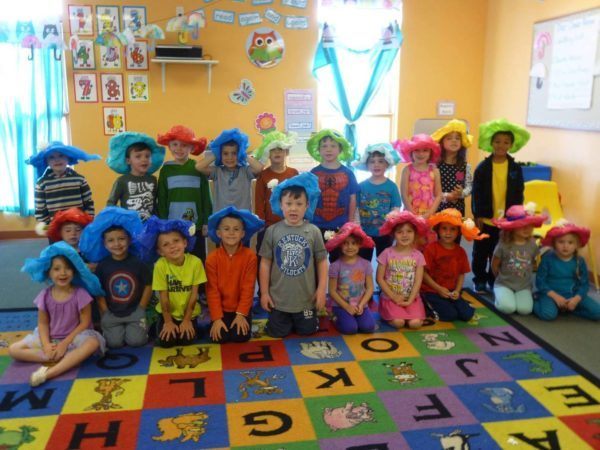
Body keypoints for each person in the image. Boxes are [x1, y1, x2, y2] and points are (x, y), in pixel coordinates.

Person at [10, 242, 105, 387]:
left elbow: (85, 323)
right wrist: (47, 344)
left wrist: (65, 343)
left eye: (68, 268)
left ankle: (49, 373)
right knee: (13, 349)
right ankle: (56, 357)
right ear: (49, 272)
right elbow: (42, 323)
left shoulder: (80, 294)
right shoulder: (45, 295)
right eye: (57, 269)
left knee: (92, 343)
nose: (63, 273)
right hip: (52, 338)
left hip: (75, 338)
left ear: (74, 272)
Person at [259, 172, 328, 338]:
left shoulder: (313, 231)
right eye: (288, 203)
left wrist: (321, 291)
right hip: (279, 301)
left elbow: (322, 262)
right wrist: (264, 293)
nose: (293, 208)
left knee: (307, 331)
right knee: (277, 333)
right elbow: (265, 263)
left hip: (306, 300)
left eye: (299, 203)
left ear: (307, 206)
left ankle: (307, 319)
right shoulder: (272, 231)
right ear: (280, 205)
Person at [79, 207, 151, 348]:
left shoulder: (137, 262)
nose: (117, 244)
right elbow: (98, 291)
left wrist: (141, 308)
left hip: (135, 311)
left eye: (121, 239)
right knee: (114, 344)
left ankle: (142, 328)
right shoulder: (103, 266)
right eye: (111, 241)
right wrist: (105, 312)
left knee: (137, 342)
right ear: (104, 244)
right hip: (112, 313)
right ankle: (115, 329)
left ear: (129, 240)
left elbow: (148, 284)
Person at [471, 118, 529, 293]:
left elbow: (519, 192)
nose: (501, 145)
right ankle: (479, 279)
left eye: (505, 142)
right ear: (491, 143)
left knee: (500, 252)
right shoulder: (483, 167)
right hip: (487, 219)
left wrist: (517, 216)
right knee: (481, 252)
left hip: (507, 220)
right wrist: (478, 215)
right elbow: (477, 193)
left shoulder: (515, 168)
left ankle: (493, 278)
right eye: (497, 141)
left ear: (511, 144)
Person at [138, 216, 206, 347]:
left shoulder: (195, 263)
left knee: (186, 341)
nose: (172, 246)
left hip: (188, 313)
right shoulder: (160, 265)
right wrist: (168, 322)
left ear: (185, 243)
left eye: (176, 241)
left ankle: (194, 325)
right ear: (160, 251)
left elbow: (194, 295)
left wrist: (187, 320)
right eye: (166, 244)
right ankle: (157, 325)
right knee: (166, 342)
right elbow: (163, 297)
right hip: (168, 313)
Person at [205, 206, 264, 343]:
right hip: (222, 310)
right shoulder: (212, 259)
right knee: (219, 338)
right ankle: (214, 322)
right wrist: (217, 318)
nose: (231, 233)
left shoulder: (250, 256)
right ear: (219, 233)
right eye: (226, 229)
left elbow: (248, 288)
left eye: (236, 229)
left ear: (243, 233)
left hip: (240, 308)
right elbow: (212, 290)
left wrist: (241, 314)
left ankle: (243, 317)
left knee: (241, 337)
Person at [421, 208, 488, 322]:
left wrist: (457, 290)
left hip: (451, 291)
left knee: (467, 315)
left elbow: (461, 273)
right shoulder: (431, 249)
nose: (448, 233)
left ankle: (449, 304)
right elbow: (423, 273)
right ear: (438, 230)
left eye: (452, 229)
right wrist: (438, 288)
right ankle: (426, 305)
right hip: (432, 290)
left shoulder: (460, 251)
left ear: (458, 232)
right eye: (444, 228)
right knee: (450, 315)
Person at [157, 125, 211, 262]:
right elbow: (162, 198)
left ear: (191, 148)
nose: (179, 149)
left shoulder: (198, 168)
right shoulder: (166, 170)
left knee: (197, 260)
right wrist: (163, 223)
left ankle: (199, 284)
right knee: (175, 259)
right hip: (172, 225)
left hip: (196, 225)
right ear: (169, 146)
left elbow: (206, 197)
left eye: (184, 145)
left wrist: (206, 222)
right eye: (175, 144)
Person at [307, 129, 359, 263]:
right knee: (316, 259)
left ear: (340, 149)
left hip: (340, 225)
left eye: (333, 146)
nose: (328, 149)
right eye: (324, 146)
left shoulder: (348, 173)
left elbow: (352, 198)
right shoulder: (313, 173)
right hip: (317, 223)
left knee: (338, 261)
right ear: (318, 150)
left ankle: (337, 285)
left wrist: (350, 222)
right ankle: (317, 284)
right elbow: (309, 197)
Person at [534, 220, 600, 321]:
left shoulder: (579, 261)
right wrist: (556, 297)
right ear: (554, 243)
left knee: (598, 312)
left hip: (572, 295)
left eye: (570, 242)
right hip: (550, 295)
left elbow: (584, 284)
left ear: (576, 245)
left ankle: (569, 308)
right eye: (561, 242)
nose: (566, 246)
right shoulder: (548, 258)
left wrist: (576, 299)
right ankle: (535, 301)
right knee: (548, 314)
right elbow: (540, 281)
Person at [376, 210, 429, 329]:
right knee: (399, 323)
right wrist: (393, 296)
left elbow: (417, 281)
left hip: (412, 298)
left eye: (409, 231)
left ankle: (409, 310)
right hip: (391, 299)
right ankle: (387, 313)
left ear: (415, 233)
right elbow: (379, 279)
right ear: (393, 234)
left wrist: (410, 299)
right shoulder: (386, 253)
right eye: (400, 232)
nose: (405, 235)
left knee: (415, 324)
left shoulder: (418, 255)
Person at [27, 142, 100, 227]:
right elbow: (40, 208)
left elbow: (88, 202)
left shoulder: (79, 179)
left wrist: (89, 219)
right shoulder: (42, 183)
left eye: (61, 156)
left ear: (68, 158)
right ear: (46, 161)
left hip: (78, 225)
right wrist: (45, 225)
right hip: (55, 227)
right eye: (51, 157)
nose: (57, 160)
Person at [491, 204, 545, 315]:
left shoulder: (532, 245)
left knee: (525, 310)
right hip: (504, 284)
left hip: (523, 286)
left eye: (529, 225)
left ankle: (514, 297)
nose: (526, 228)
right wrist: (500, 278)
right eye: (522, 225)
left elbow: (533, 263)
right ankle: (499, 295)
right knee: (508, 308)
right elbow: (494, 264)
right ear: (512, 227)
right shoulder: (503, 245)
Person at [353, 143, 402, 262]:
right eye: (372, 161)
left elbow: (396, 207)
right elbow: (355, 209)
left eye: (380, 161)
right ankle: (364, 281)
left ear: (387, 164)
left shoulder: (392, 187)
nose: (376, 164)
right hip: (364, 233)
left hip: (385, 234)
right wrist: (357, 227)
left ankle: (383, 281)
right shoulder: (361, 186)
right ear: (367, 165)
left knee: (384, 264)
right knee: (363, 263)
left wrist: (392, 217)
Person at [325, 222, 376, 334]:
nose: (350, 247)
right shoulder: (335, 266)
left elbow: (370, 288)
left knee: (368, 327)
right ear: (340, 245)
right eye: (346, 243)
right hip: (340, 306)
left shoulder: (366, 264)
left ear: (359, 245)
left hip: (360, 304)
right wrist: (347, 307)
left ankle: (355, 316)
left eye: (353, 243)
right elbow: (332, 291)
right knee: (350, 329)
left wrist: (362, 304)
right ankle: (334, 316)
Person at [195, 128, 264, 212]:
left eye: (234, 153)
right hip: (222, 217)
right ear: (220, 155)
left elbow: (259, 168)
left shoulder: (245, 171)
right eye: (225, 153)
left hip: (242, 217)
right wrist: (216, 153)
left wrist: (243, 154)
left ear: (239, 154)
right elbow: (199, 167)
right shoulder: (217, 171)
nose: (230, 157)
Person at [254, 130, 299, 252]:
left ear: (287, 152)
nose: (277, 152)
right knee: (266, 256)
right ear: (268, 153)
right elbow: (259, 201)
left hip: (291, 223)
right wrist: (261, 223)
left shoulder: (294, 173)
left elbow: (300, 199)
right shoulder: (263, 175)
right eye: (273, 149)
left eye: (280, 148)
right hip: (269, 225)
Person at [106, 131, 165, 221]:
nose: (144, 160)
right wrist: (117, 219)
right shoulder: (122, 181)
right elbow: (111, 203)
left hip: (150, 225)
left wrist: (159, 221)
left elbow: (154, 203)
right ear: (128, 161)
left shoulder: (153, 180)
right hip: (129, 225)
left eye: (147, 156)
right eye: (138, 156)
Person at [430, 119, 474, 216]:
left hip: (457, 210)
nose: (454, 140)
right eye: (449, 138)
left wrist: (461, 193)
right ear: (442, 143)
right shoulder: (434, 166)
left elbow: (470, 187)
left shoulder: (465, 166)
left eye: (457, 138)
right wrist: (446, 196)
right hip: (438, 209)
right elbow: (429, 189)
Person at [396, 134, 442, 220]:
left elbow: (438, 195)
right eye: (417, 150)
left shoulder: (435, 171)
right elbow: (404, 194)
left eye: (425, 150)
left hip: (429, 214)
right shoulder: (407, 170)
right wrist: (412, 214)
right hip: (410, 213)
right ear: (411, 151)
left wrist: (430, 213)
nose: (421, 154)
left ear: (430, 152)